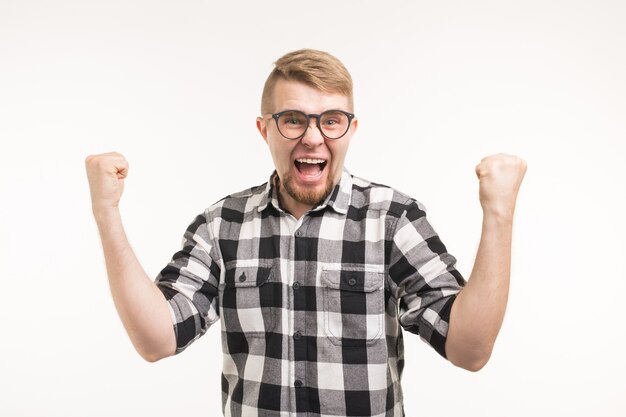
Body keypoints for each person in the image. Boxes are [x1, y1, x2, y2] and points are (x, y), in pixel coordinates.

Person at [85, 49, 527, 417]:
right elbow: (156, 339)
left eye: (331, 120)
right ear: (265, 129)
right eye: (293, 119)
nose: (313, 137)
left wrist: (498, 215)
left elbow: (469, 351)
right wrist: (107, 212)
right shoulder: (222, 224)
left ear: (351, 129)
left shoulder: (392, 218)